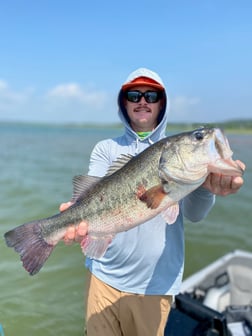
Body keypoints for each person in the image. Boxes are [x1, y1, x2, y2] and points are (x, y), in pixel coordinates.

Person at [60, 68, 245, 336]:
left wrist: (206, 186)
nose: (143, 101)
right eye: (134, 95)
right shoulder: (106, 149)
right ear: (124, 103)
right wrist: (75, 216)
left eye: (152, 95)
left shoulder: (181, 161)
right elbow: (88, 198)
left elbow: (195, 215)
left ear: (162, 103)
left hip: (155, 286)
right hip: (103, 277)